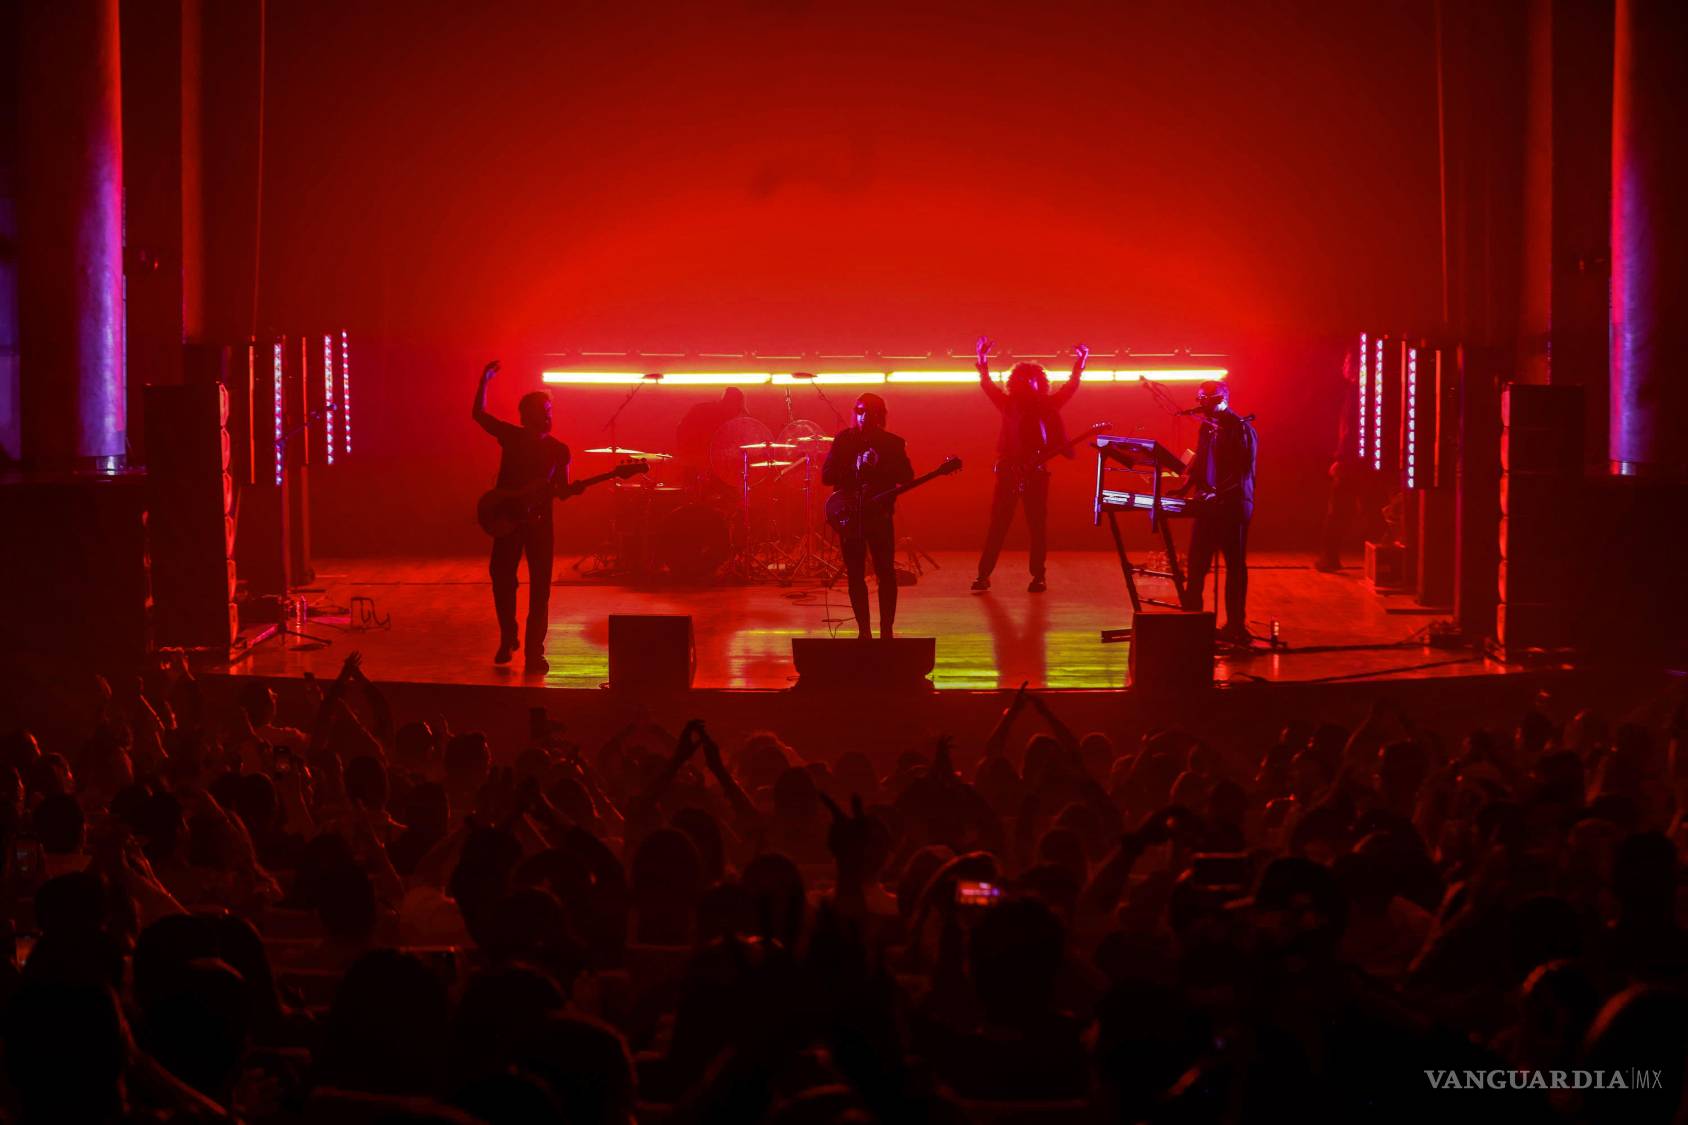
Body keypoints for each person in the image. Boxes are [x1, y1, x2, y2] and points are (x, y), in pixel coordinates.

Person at [472, 360, 572, 673]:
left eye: (550, 409)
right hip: (508, 520)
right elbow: (480, 416)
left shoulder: (559, 449)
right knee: (502, 579)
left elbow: (562, 489)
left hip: (540, 524)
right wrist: (484, 382)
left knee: (540, 588)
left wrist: (570, 490)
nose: (548, 414)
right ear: (527, 414)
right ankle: (508, 635)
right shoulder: (512, 437)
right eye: (543, 409)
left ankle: (534, 652)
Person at [971, 335, 1089, 594]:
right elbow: (988, 386)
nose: (1030, 383)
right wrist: (982, 360)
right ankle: (983, 575)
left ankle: (1038, 576)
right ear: (1017, 382)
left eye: (1034, 379)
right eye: (1025, 379)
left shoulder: (1048, 404)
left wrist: (1080, 363)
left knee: (1036, 526)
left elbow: (1070, 388)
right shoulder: (1008, 403)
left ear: (1040, 382)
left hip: (1036, 472)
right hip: (1009, 471)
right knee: (998, 524)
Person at [821, 393, 914, 639]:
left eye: (871, 413)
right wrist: (855, 467)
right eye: (860, 411)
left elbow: (907, 476)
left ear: (880, 416)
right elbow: (827, 475)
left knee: (886, 572)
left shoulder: (893, 443)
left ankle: (886, 630)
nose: (864, 417)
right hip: (851, 519)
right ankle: (864, 631)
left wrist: (879, 466)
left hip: (880, 517)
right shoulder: (844, 440)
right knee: (855, 573)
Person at [1173, 379, 1256, 644]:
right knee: (1197, 564)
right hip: (1208, 503)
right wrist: (1185, 488)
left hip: (1234, 505)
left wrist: (1219, 492)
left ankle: (1235, 625)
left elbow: (1242, 471)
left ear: (1223, 399)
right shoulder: (1207, 429)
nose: (1205, 407)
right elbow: (1200, 462)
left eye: (1210, 401)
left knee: (1234, 566)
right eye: (1202, 401)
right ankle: (1191, 621)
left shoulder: (1240, 428)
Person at [675, 386, 747, 489]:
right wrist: (694, 458)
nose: (737, 413)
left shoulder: (706, 410)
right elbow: (683, 432)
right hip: (697, 467)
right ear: (730, 404)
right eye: (737, 409)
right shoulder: (704, 412)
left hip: (710, 469)